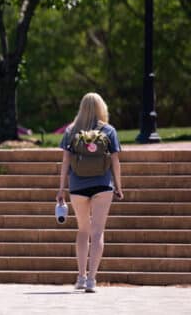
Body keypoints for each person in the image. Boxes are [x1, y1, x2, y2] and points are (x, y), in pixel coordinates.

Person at [56, 92, 123, 293]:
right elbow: (115, 162)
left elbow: (66, 162)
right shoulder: (109, 130)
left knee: (83, 231)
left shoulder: (71, 131)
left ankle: (81, 277)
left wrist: (61, 188)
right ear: (101, 108)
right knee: (97, 231)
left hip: (77, 187)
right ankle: (92, 280)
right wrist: (118, 186)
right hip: (103, 185)